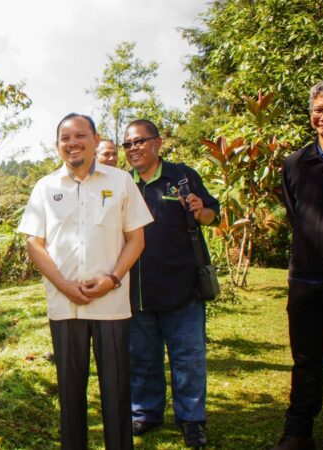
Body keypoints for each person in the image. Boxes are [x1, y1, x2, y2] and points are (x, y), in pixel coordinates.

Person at [18, 113, 153, 449]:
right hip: (65, 306)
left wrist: (112, 279)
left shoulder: (121, 181)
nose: (72, 143)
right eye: (65, 137)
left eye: (80, 135)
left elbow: (136, 239)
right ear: (57, 145)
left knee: (116, 390)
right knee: (70, 391)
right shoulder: (45, 187)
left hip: (110, 303)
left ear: (95, 140)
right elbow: (34, 244)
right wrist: (64, 286)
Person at [122, 119, 219, 448]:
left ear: (158, 143)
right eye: (128, 144)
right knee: (143, 358)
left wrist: (201, 209)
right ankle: (146, 412)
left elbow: (212, 214)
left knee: (187, 358)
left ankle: (192, 419)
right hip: (137, 289)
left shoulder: (182, 175)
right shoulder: (123, 184)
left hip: (183, 286)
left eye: (140, 141)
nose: (134, 148)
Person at [272, 77, 323, 450]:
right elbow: (295, 214)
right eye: (318, 110)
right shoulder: (296, 163)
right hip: (306, 282)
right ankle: (299, 432)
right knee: (306, 361)